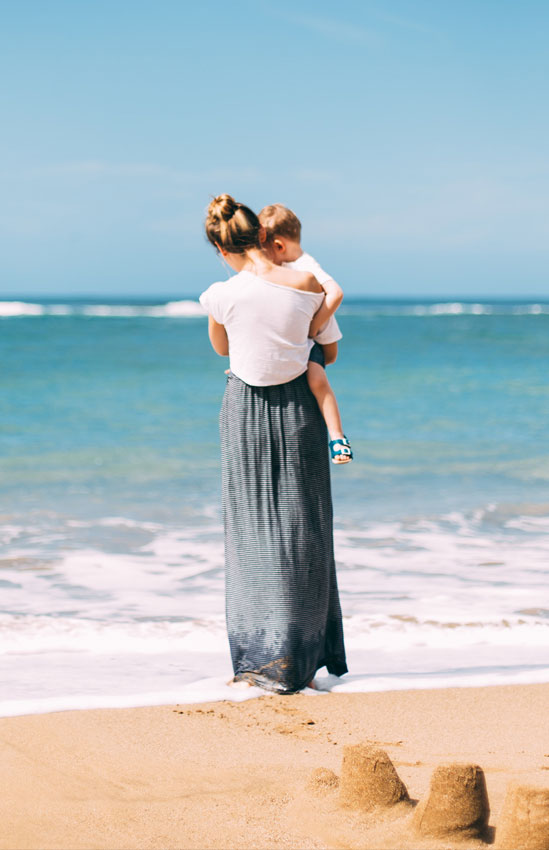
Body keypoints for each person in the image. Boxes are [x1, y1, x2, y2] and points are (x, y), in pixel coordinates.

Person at [199, 193, 348, 694]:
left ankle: (259, 658)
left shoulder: (220, 294)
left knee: (252, 535)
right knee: (304, 528)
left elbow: (223, 348)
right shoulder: (307, 283)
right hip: (299, 410)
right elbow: (326, 348)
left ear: (224, 248)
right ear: (262, 237)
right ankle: (303, 656)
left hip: (244, 412)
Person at [259, 203, 352, 464]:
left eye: (264, 252)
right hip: (299, 336)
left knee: (317, 380)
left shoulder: (305, 265)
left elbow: (336, 293)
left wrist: (314, 326)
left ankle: (337, 438)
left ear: (278, 245)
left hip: (313, 338)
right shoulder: (289, 266)